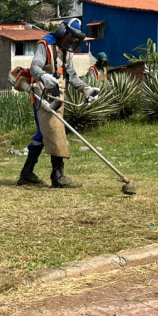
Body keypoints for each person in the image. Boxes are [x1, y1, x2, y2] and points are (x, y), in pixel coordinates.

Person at [17, 18, 95, 188]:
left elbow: (71, 75)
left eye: (75, 39)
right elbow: (34, 67)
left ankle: (26, 174)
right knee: (55, 131)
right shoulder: (45, 44)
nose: (72, 41)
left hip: (59, 95)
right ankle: (58, 177)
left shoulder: (67, 50)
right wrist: (43, 76)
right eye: (71, 37)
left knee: (43, 134)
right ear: (62, 32)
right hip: (43, 94)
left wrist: (85, 88)